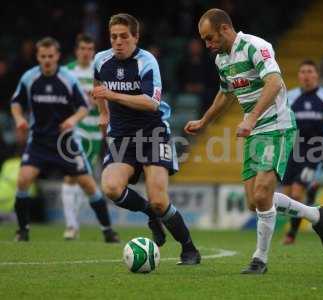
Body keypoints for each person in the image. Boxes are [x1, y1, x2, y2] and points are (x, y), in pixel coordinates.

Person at [185, 8, 323, 274]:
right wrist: (204, 121)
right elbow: (225, 93)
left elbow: (274, 82)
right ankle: (315, 215)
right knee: (254, 202)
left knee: (263, 193)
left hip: (276, 125)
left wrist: (251, 118)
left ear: (224, 29)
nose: (207, 44)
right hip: (255, 132)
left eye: (209, 38)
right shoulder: (221, 59)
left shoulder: (256, 46)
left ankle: (259, 260)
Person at [92, 13, 201, 265]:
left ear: (135, 37)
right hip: (121, 136)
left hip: (152, 134)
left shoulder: (146, 61)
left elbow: (151, 103)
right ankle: (149, 215)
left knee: (160, 201)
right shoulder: (101, 60)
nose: (118, 42)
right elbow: (98, 85)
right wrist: (103, 113)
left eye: (123, 37)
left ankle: (189, 249)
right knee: (110, 187)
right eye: (113, 37)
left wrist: (112, 96)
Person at [10, 37, 119, 243]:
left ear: (57, 56)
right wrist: (18, 119)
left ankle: (108, 230)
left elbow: (83, 106)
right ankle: (22, 230)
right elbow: (16, 102)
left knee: (88, 184)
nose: (47, 60)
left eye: (51, 56)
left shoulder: (68, 78)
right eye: (43, 57)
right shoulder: (29, 78)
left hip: (66, 142)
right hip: (39, 142)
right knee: (23, 179)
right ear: (38, 57)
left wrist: (71, 120)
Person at [282, 60, 323, 245]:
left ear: (316, 75)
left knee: (296, 193)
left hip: (315, 150)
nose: (306, 75)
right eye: (303, 71)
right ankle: (315, 208)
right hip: (292, 150)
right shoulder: (290, 97)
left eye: (310, 71)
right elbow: (280, 119)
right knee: (287, 196)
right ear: (298, 76)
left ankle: (291, 234)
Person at [60, 34, 102, 240]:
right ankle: (71, 226)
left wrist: (99, 100)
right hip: (75, 131)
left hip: (95, 134)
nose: (86, 52)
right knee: (72, 175)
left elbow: (110, 100)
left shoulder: (100, 70)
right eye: (83, 48)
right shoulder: (67, 72)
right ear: (77, 51)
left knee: (84, 180)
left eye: (90, 49)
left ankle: (73, 224)